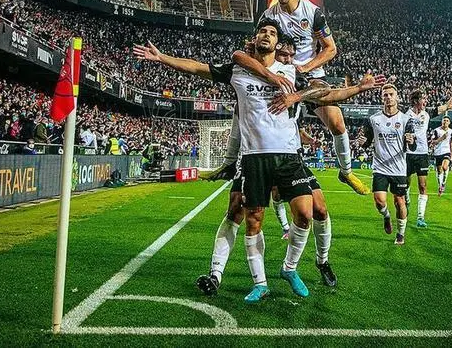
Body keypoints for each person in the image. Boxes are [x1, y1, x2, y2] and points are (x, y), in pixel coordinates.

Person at [134, 21, 385, 301]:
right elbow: (196, 67)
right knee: (253, 220)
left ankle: (289, 268)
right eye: (263, 32)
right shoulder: (238, 70)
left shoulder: (291, 72)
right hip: (254, 158)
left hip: (289, 157)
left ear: (278, 44)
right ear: (255, 40)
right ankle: (260, 283)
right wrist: (162, 58)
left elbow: (327, 93)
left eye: (272, 33)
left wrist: (358, 89)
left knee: (305, 212)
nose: (267, 35)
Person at [228, 0, 369, 196]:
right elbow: (256, 48)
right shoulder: (268, 16)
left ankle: (346, 171)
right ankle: (229, 162)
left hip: (311, 75)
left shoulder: (313, 13)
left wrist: (305, 67)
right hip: (280, 74)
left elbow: (331, 49)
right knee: (242, 106)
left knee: (337, 123)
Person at [356, 84, 411, 245]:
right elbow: (367, 142)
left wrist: (411, 141)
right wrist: (363, 142)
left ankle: (400, 234)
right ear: (382, 98)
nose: (388, 97)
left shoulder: (406, 119)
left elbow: (412, 144)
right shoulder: (373, 119)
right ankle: (387, 216)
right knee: (379, 201)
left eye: (391, 94)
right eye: (385, 95)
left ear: (397, 97)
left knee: (399, 201)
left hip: (399, 168)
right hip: (380, 167)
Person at [403, 85, 452, 227]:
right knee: (405, 184)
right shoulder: (405, 114)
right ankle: (407, 198)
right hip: (407, 153)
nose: (426, 100)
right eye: (423, 98)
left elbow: (448, 105)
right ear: (416, 101)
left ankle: (420, 217)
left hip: (422, 154)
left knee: (423, 186)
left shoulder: (428, 112)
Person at [431, 116, 452, 196]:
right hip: (438, 152)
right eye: (444, 120)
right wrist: (441, 138)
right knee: (439, 171)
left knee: (445, 167)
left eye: (447, 120)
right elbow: (433, 142)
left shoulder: (451, 131)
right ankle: (440, 186)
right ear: (442, 122)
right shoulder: (436, 131)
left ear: (449, 123)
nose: (445, 122)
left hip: (446, 152)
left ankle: (444, 183)